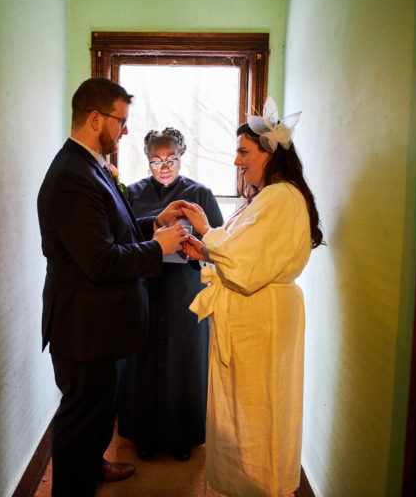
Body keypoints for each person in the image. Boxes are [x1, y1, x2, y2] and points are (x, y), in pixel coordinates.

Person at [37, 77, 190, 497]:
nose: (124, 130)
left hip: (100, 326)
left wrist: (154, 223)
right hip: (83, 330)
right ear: (94, 118)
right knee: (80, 421)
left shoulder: (91, 165)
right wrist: (158, 248)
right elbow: (101, 260)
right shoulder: (71, 176)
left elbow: (111, 231)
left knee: (100, 414)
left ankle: (95, 466)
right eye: (119, 121)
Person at [181, 97, 324, 497]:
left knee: (260, 413)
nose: (236, 161)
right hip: (256, 315)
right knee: (246, 411)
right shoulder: (267, 197)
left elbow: (243, 261)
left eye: (243, 152)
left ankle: (262, 487)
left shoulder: (280, 198)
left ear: (270, 154)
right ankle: (247, 484)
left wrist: (205, 231)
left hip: (262, 321)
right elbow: (243, 254)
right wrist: (205, 249)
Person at [117, 127, 224, 462]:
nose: (164, 168)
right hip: (145, 289)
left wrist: (195, 247)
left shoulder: (201, 194)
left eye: (171, 160)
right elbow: (121, 241)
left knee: (184, 364)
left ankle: (183, 437)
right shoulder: (131, 194)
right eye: (156, 161)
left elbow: (220, 243)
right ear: (147, 160)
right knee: (143, 364)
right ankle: (144, 436)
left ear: (181, 156)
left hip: (185, 290)